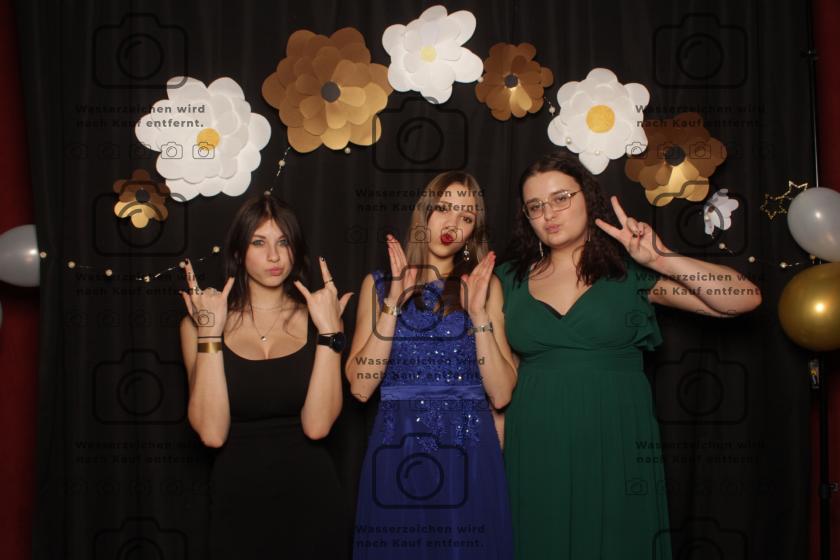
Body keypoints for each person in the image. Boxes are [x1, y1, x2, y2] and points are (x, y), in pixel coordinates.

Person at [494, 151, 762, 559]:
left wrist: (662, 257)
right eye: (535, 206)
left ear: (588, 198)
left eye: (561, 198)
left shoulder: (627, 271)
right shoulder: (507, 279)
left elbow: (743, 299)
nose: (548, 214)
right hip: (536, 441)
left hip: (615, 438)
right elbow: (500, 376)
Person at [346, 171, 517, 559]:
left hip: (469, 451)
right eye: (444, 209)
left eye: (466, 217)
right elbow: (361, 386)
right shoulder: (378, 285)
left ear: (473, 233)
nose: (452, 224)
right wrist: (393, 303)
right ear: (424, 213)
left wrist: (478, 314)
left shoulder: (485, 288)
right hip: (398, 448)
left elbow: (502, 394)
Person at [178, 193, 354, 559]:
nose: (274, 256)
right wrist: (210, 333)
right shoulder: (196, 325)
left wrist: (328, 332)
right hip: (237, 506)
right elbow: (211, 433)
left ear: (296, 250)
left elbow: (318, 426)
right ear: (238, 252)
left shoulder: (322, 320)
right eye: (259, 242)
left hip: (314, 504)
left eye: (283, 242)